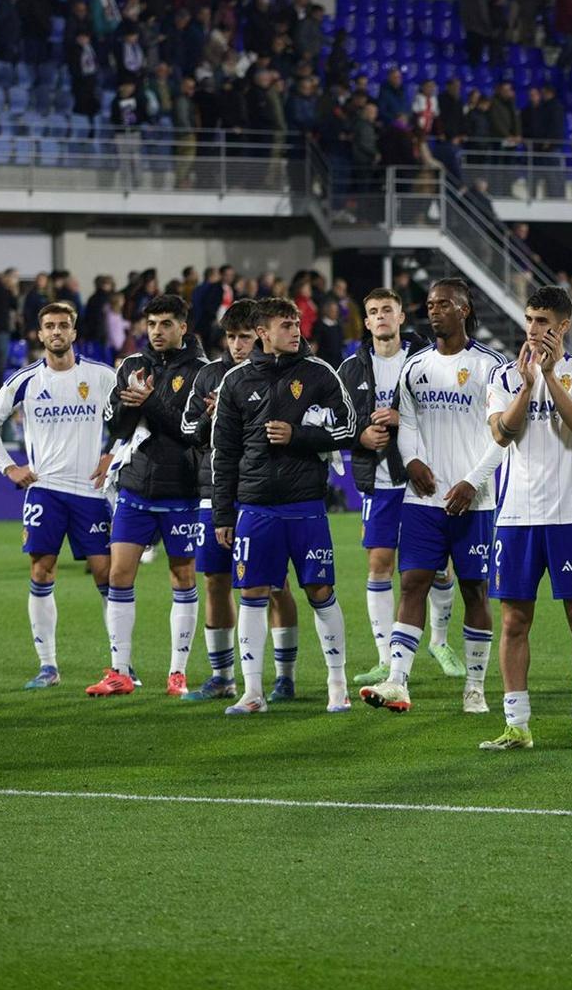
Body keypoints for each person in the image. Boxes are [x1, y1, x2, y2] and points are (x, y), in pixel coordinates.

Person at [475, 287, 572, 751]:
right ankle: (517, 725)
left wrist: (550, 377)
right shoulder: (503, 375)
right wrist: (529, 384)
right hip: (516, 517)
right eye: (529, 320)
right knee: (513, 622)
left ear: (564, 326)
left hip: (571, 517)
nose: (533, 330)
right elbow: (503, 432)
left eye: (542, 322)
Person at [209, 297, 358, 716]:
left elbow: (349, 428)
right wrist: (223, 514)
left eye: (297, 323)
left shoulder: (319, 373)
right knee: (252, 593)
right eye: (287, 324)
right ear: (263, 332)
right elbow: (223, 452)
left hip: (306, 505)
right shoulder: (237, 382)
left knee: (320, 591)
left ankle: (337, 684)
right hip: (255, 509)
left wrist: (299, 435)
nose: (296, 330)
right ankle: (253, 692)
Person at [372, 279, 506, 716]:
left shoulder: (492, 366)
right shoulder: (417, 366)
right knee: (411, 582)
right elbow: (407, 422)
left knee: (475, 590)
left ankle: (474, 687)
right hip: (424, 499)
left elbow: (504, 432)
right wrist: (410, 461)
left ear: (464, 309)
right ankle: (396, 681)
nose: (434, 311)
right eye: (429, 304)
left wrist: (472, 481)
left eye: (443, 304)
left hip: (475, 500)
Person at [0, 301, 117, 690]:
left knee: (107, 576)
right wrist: (9, 467)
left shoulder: (101, 376)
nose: (56, 332)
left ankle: (120, 666)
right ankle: (48, 666)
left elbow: (132, 420)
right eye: (49, 326)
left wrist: (113, 455)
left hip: (90, 491)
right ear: (39, 335)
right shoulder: (25, 380)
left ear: (74, 333)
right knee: (41, 571)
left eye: (63, 326)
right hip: (45, 491)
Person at [178, 301, 300, 703]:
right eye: (231, 337)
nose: (237, 345)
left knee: (275, 583)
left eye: (244, 336)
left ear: (261, 335)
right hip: (212, 492)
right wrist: (213, 418)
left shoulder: (279, 374)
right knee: (214, 579)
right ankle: (222, 676)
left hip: (261, 493)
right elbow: (190, 431)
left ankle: (284, 675)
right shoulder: (209, 376)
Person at [339, 288, 455, 686]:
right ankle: (385, 657)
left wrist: (401, 419)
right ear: (367, 323)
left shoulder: (425, 360)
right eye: (373, 312)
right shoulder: (351, 368)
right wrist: (360, 438)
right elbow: (336, 421)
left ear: (401, 316)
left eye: (387, 309)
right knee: (379, 566)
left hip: (422, 476)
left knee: (437, 566)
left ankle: (439, 642)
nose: (381, 317)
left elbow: (443, 413)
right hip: (381, 481)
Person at [98, 294, 206, 698]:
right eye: (152, 324)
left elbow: (190, 430)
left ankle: (177, 672)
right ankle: (119, 670)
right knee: (118, 575)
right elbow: (116, 427)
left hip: (181, 490)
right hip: (135, 487)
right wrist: (129, 407)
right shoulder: (131, 366)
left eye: (166, 324)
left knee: (182, 576)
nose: (157, 331)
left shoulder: (202, 372)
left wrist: (150, 403)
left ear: (183, 327)